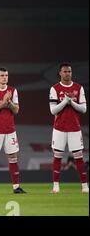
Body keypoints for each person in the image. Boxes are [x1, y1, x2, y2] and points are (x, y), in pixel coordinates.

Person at [0, 68, 26, 194]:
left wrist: (10, 103)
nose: (4, 78)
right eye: (2, 75)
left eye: (6, 75)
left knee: (13, 157)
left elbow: (16, 110)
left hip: (10, 130)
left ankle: (16, 187)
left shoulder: (13, 91)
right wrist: (3, 102)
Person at [49, 63, 88, 194]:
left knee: (79, 157)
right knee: (57, 157)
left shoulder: (79, 88)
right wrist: (65, 101)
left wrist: (71, 102)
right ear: (60, 73)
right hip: (59, 128)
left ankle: (84, 186)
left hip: (74, 128)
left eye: (69, 71)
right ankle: (55, 186)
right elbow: (53, 111)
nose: (67, 74)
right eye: (65, 71)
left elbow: (83, 109)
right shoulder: (55, 88)